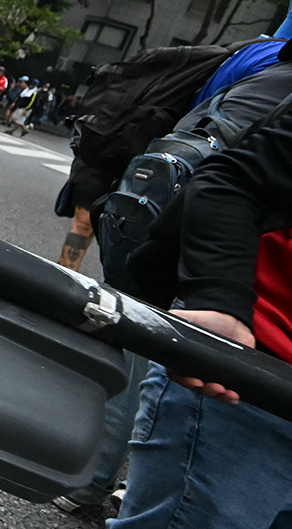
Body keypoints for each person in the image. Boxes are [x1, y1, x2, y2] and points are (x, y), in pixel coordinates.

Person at [108, 50, 292, 528]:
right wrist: (219, 297)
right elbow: (234, 177)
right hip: (252, 360)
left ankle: (92, 478)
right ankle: (89, 478)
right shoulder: (259, 57)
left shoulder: (250, 55)